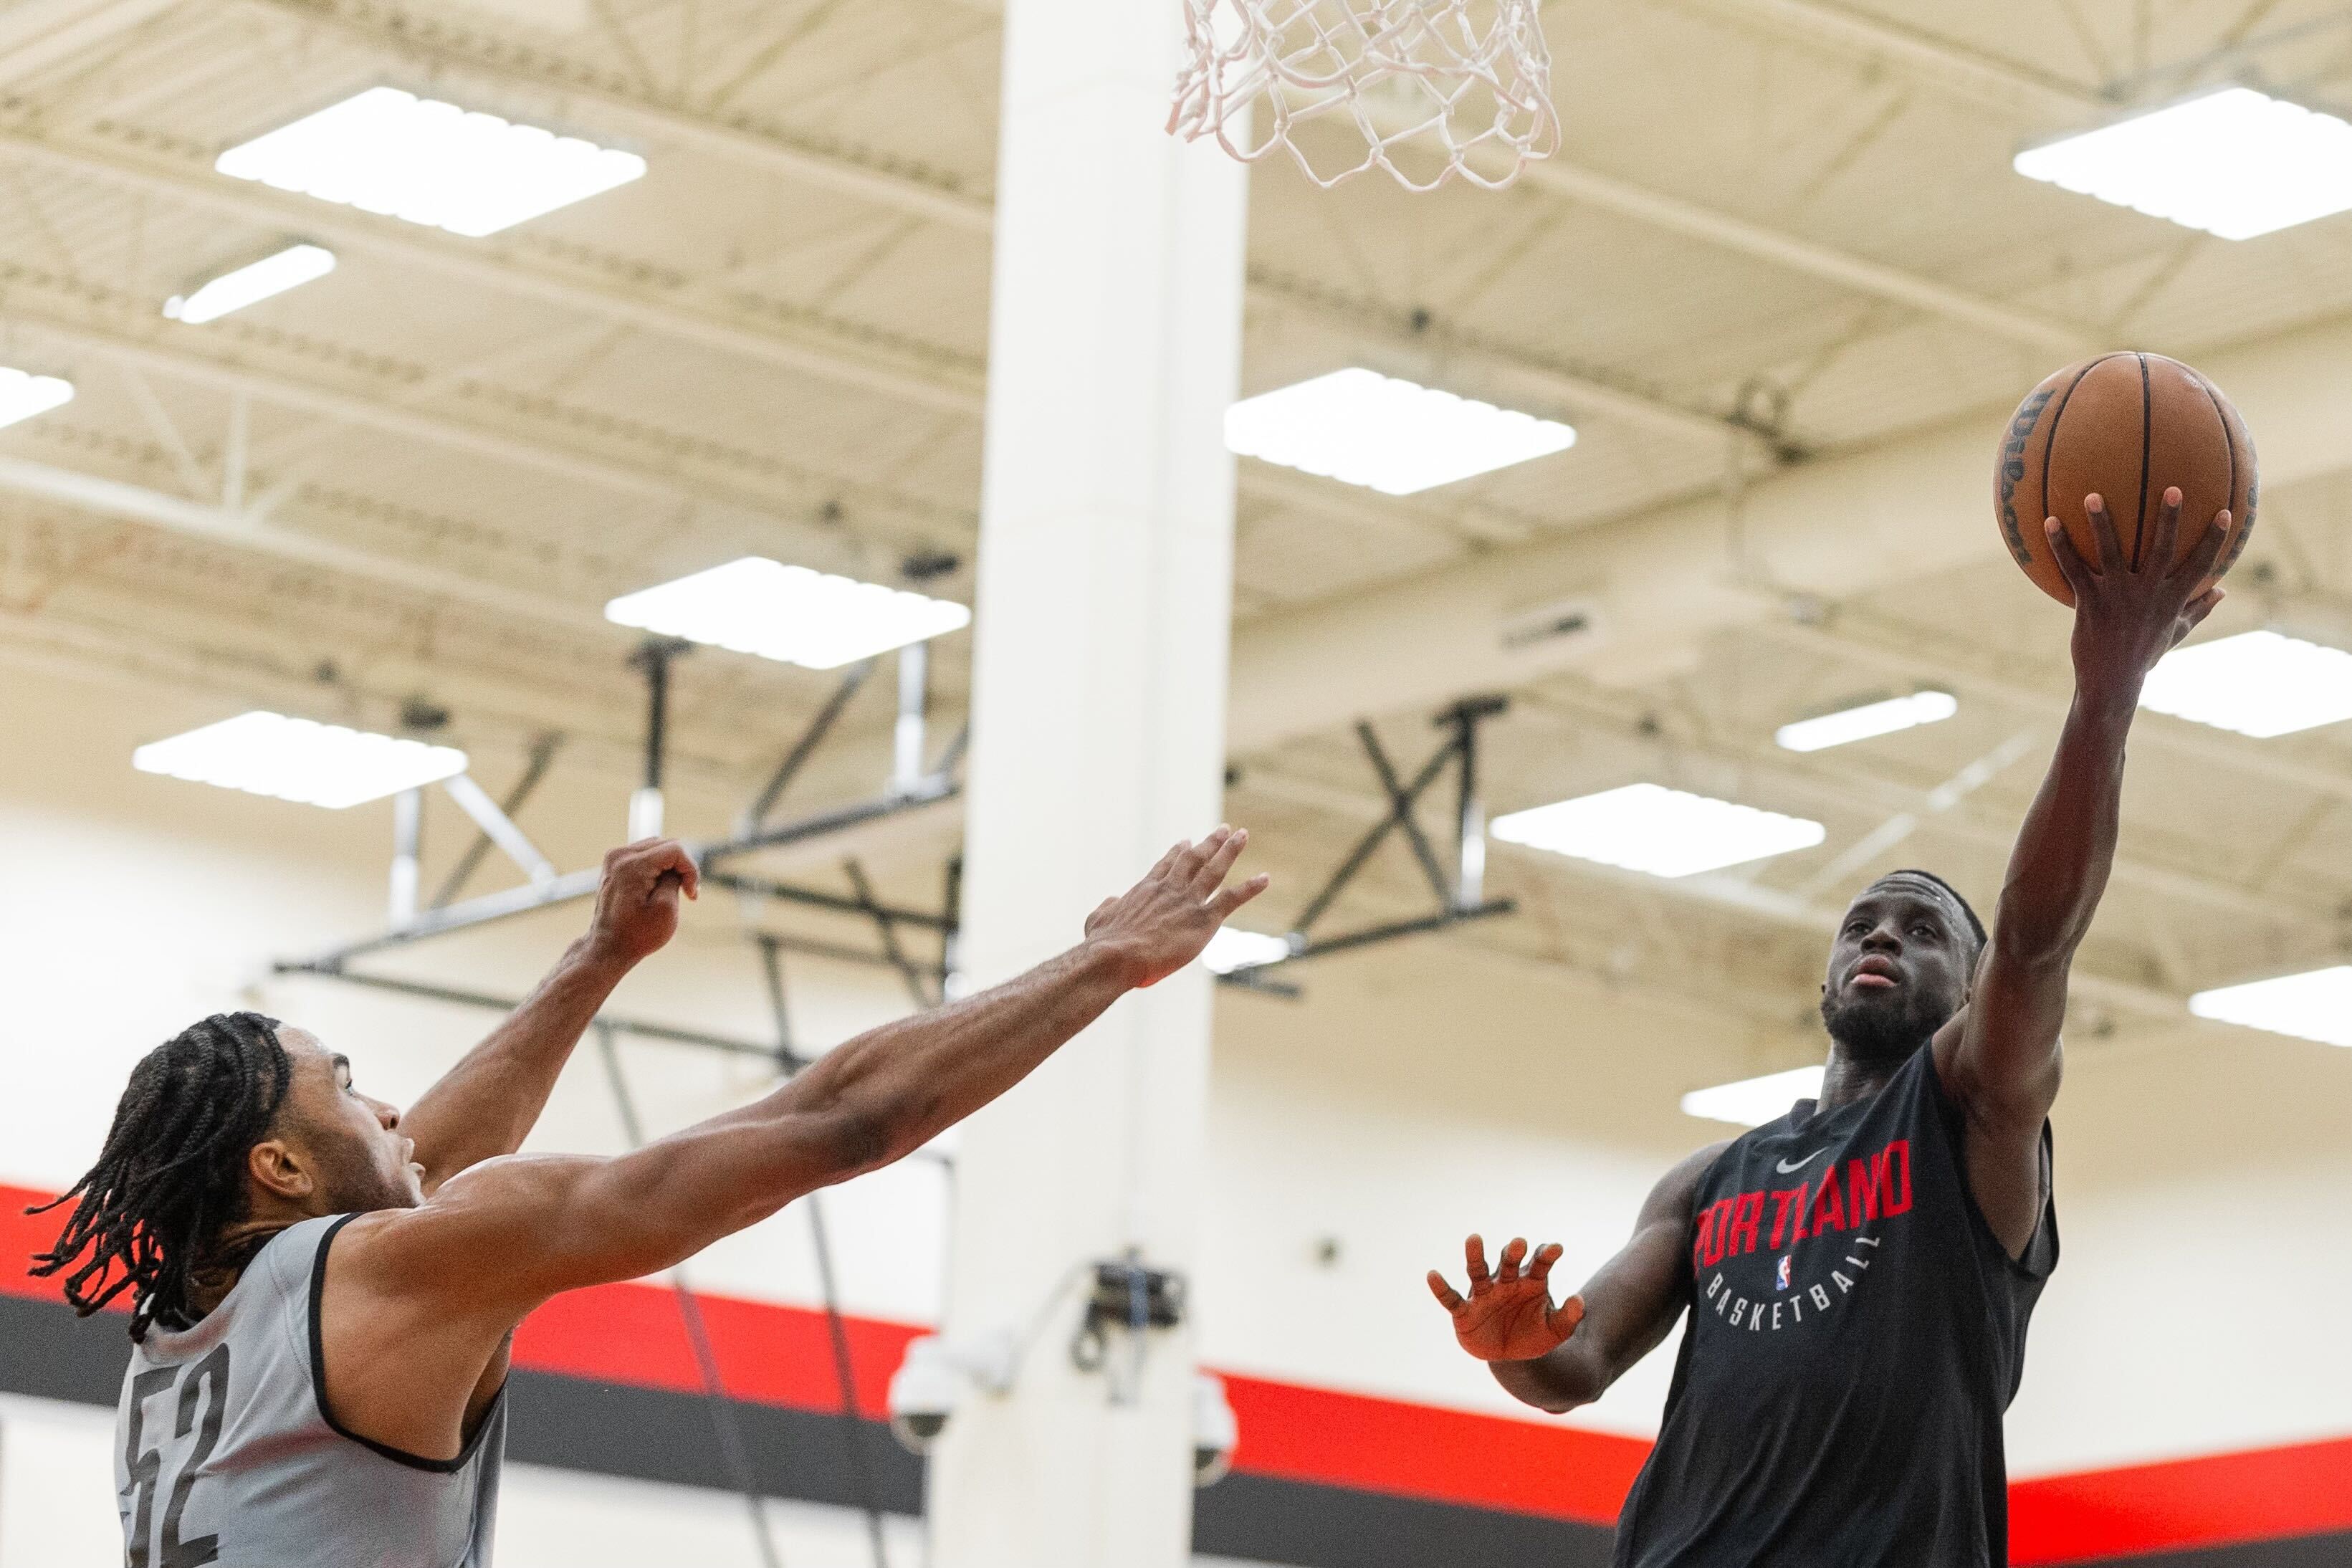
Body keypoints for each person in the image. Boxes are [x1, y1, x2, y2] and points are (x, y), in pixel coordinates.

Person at [32, 826, 1266, 1568]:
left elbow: (424, 1165)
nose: (394, 1110)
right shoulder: (387, 1272)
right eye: (349, 1089)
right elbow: (841, 1124)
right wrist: (1104, 962)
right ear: (283, 1170)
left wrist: (600, 957)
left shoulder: (188, 1328)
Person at [1426, 491, 2234, 1567]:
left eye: (1923, 930)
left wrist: (2107, 690)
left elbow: (2038, 941)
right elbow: (1575, 1369)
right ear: (1825, 980)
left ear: (1974, 988)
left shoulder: (1970, 1119)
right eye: (1861, 924)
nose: (1882, 935)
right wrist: (1514, 1347)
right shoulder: (1707, 1181)